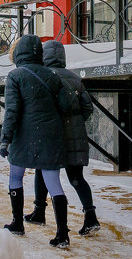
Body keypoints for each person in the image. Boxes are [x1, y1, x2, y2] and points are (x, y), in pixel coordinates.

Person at [0, 34, 73, 248]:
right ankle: (62, 235)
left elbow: (12, 111)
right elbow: (65, 107)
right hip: (50, 135)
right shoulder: (52, 76)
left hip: (23, 136)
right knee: (54, 184)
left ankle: (17, 223)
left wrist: (5, 140)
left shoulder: (15, 76)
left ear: (19, 53)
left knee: (15, 177)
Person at [24, 39, 100, 236]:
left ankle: (39, 212)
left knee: (43, 171)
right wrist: (74, 123)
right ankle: (90, 216)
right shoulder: (75, 78)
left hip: (53, 134)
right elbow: (87, 108)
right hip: (76, 134)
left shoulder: (46, 77)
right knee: (76, 178)